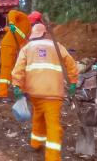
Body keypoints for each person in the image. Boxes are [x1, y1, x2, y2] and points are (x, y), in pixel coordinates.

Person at [12, 23, 78, 161]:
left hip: (34, 92)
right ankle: (52, 157)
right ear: (45, 33)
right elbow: (71, 64)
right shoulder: (57, 46)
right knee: (53, 125)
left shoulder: (27, 47)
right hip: (53, 93)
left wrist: (16, 86)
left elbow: (19, 68)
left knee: (38, 117)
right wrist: (73, 83)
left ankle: (35, 144)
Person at [0, 10, 31, 101]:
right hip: (8, 45)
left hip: (14, 48)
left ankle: (17, 90)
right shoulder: (24, 18)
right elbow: (12, 12)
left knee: (14, 69)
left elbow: (22, 40)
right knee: (6, 68)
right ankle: (2, 95)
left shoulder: (28, 30)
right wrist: (11, 23)